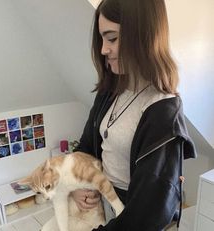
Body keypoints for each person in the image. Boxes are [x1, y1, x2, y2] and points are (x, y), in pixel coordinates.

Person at [72, 0, 196, 230]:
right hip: (107, 203)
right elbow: (86, 146)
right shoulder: (111, 89)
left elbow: (146, 217)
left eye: (112, 38)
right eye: (102, 39)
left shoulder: (162, 112)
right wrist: (79, 183)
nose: (103, 49)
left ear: (143, 35)